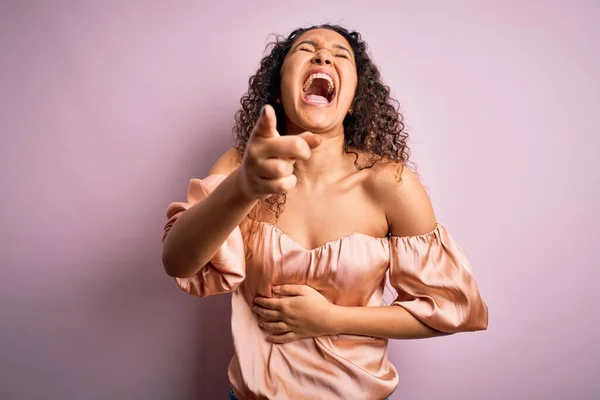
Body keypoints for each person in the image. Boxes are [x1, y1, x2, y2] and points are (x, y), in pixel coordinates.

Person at [161, 24, 488, 400]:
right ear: (279, 91)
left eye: (340, 53)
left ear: (354, 100)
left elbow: (452, 309)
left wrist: (329, 319)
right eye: (306, 49)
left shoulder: (390, 184)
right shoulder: (242, 166)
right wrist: (244, 187)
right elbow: (177, 262)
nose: (323, 55)